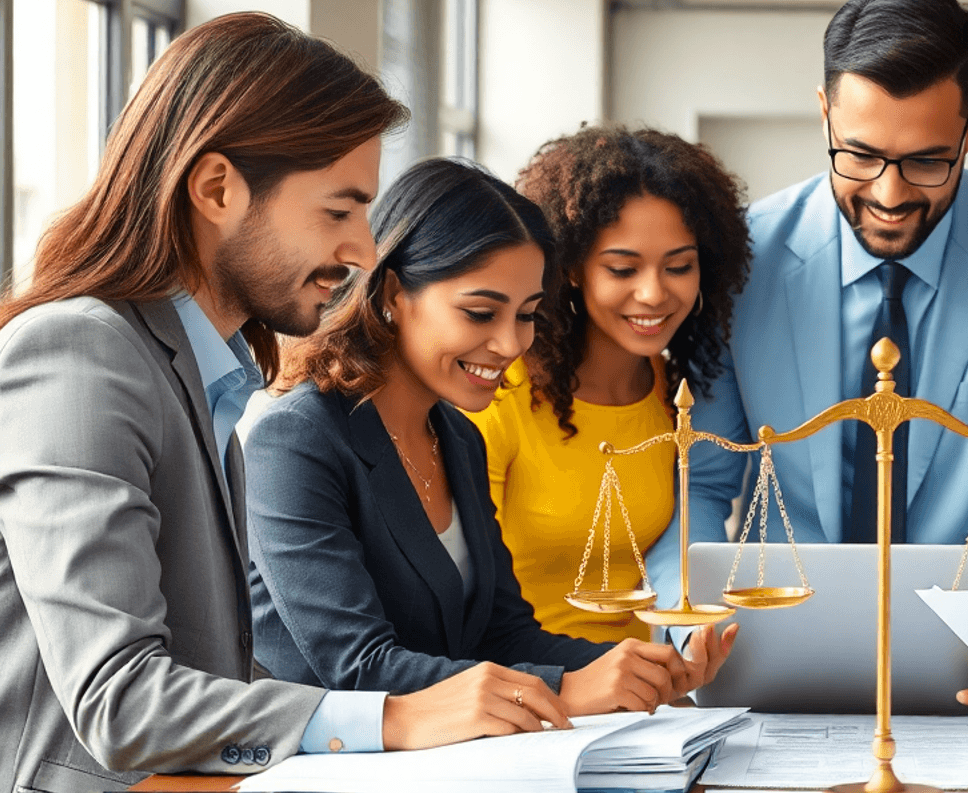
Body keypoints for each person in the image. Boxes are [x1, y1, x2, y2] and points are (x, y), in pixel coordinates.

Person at [0, 14, 550, 793]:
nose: (364, 248)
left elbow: (211, 671)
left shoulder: (211, 377)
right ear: (216, 187)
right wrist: (400, 717)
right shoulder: (80, 351)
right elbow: (123, 703)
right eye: (338, 211)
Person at [648, 0, 968, 726]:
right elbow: (704, 483)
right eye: (861, 156)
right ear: (825, 113)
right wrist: (687, 621)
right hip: (766, 665)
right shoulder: (742, 256)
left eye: (927, 162)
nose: (889, 194)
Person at [246, 157, 735, 710]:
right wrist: (568, 688)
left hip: (448, 768)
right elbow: (357, 667)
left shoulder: (456, 437)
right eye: (481, 313)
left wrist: (642, 668)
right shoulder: (294, 442)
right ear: (390, 294)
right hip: (320, 778)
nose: (510, 344)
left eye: (526, 314)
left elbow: (502, 637)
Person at [463, 126, 750, 644]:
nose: (653, 293)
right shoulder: (500, 393)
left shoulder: (680, 398)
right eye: (622, 268)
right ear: (571, 268)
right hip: (535, 687)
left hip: (655, 697)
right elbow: (466, 599)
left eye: (679, 266)